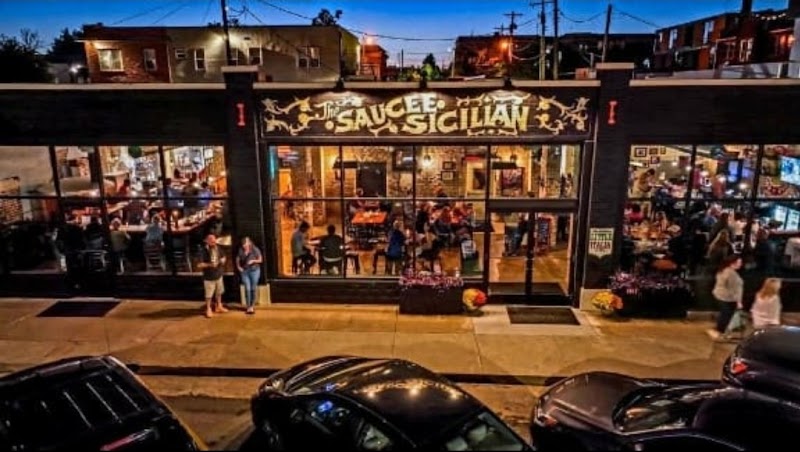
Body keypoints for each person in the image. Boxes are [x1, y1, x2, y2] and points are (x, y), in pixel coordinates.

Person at [707, 255, 743, 340]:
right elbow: (733, 289)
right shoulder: (731, 273)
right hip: (727, 298)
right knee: (726, 315)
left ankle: (720, 331)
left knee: (725, 315)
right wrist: (738, 301)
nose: (741, 264)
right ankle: (719, 332)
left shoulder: (723, 270)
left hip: (720, 296)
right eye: (739, 262)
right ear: (732, 263)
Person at [198, 234, 227, 318]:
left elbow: (224, 257)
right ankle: (208, 309)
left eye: (214, 239)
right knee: (209, 295)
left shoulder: (218, 248)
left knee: (219, 292)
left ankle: (219, 306)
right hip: (209, 277)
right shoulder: (203, 251)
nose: (213, 241)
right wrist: (210, 265)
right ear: (207, 241)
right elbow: (199, 265)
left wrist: (223, 260)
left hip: (219, 274)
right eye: (211, 240)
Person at [236, 236, 263, 315]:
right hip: (245, 271)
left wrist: (253, 261)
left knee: (253, 288)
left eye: (246, 243)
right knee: (247, 288)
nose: (245, 245)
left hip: (254, 271)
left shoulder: (255, 249)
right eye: (244, 244)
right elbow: (237, 259)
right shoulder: (241, 250)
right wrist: (239, 267)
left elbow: (260, 260)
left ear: (250, 243)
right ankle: (248, 306)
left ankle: (252, 306)